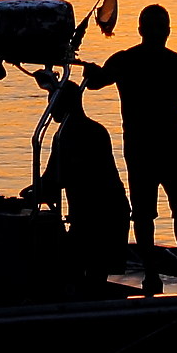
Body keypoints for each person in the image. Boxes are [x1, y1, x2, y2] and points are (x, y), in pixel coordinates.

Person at [82, 3, 177, 294]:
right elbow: (96, 82)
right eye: (157, 26)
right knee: (156, 214)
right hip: (158, 150)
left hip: (160, 149)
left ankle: (168, 274)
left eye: (162, 27)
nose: (160, 32)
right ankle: (167, 273)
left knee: (169, 214)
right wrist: (90, 71)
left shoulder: (131, 61)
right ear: (146, 30)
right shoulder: (150, 62)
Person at [20, 73, 131, 286]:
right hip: (107, 210)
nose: (50, 109)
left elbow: (56, 179)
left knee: (82, 271)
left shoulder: (68, 134)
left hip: (99, 214)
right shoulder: (94, 130)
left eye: (52, 102)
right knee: (91, 274)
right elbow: (56, 177)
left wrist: (34, 192)